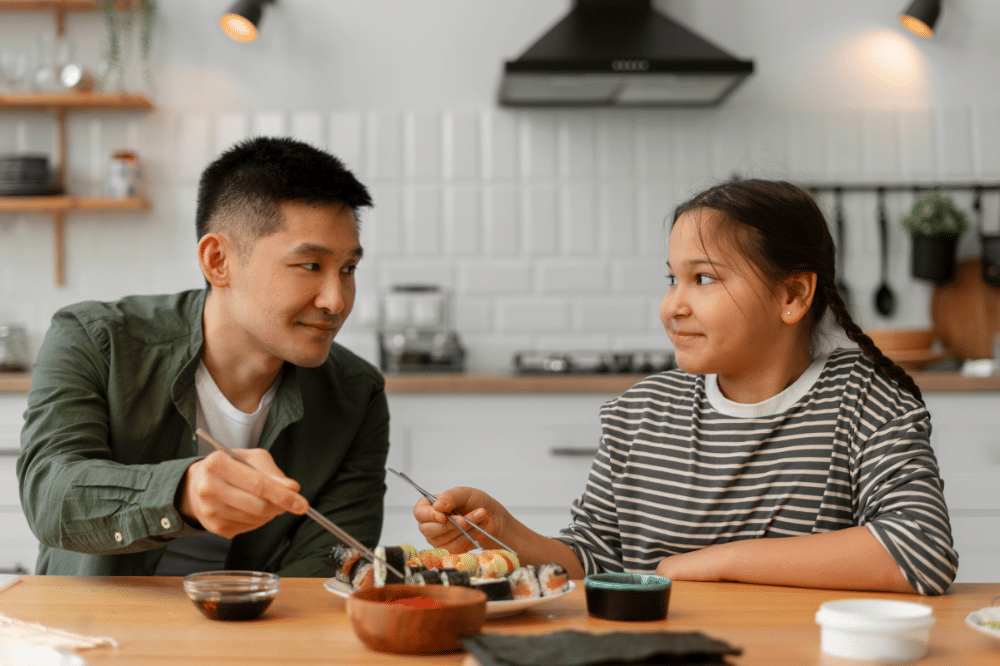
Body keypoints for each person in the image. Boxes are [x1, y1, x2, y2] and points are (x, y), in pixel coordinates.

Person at [415, 179, 958, 596]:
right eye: (671, 278)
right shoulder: (639, 415)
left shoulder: (867, 401)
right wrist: (504, 530)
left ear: (792, 294)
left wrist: (716, 563)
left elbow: (921, 549)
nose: (673, 305)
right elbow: (595, 561)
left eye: (703, 279)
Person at [17, 136, 389, 577]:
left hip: (260, 633)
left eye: (348, 269)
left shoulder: (356, 394)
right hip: (92, 633)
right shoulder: (95, 341)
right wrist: (181, 494)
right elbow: (50, 495)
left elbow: (326, 568)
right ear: (218, 261)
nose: (336, 300)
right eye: (311, 266)